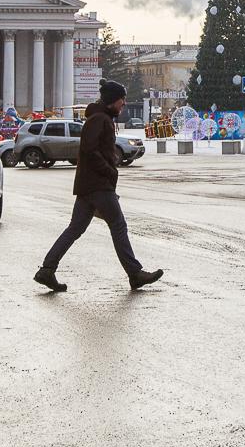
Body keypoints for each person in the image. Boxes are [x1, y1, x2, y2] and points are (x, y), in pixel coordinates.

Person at [35, 80, 162, 292]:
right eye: (122, 99)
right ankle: (135, 274)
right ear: (113, 100)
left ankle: (47, 270)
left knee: (75, 229)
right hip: (98, 185)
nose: (124, 103)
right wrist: (109, 170)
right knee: (118, 227)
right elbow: (89, 149)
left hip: (89, 185)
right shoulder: (100, 119)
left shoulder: (100, 118)